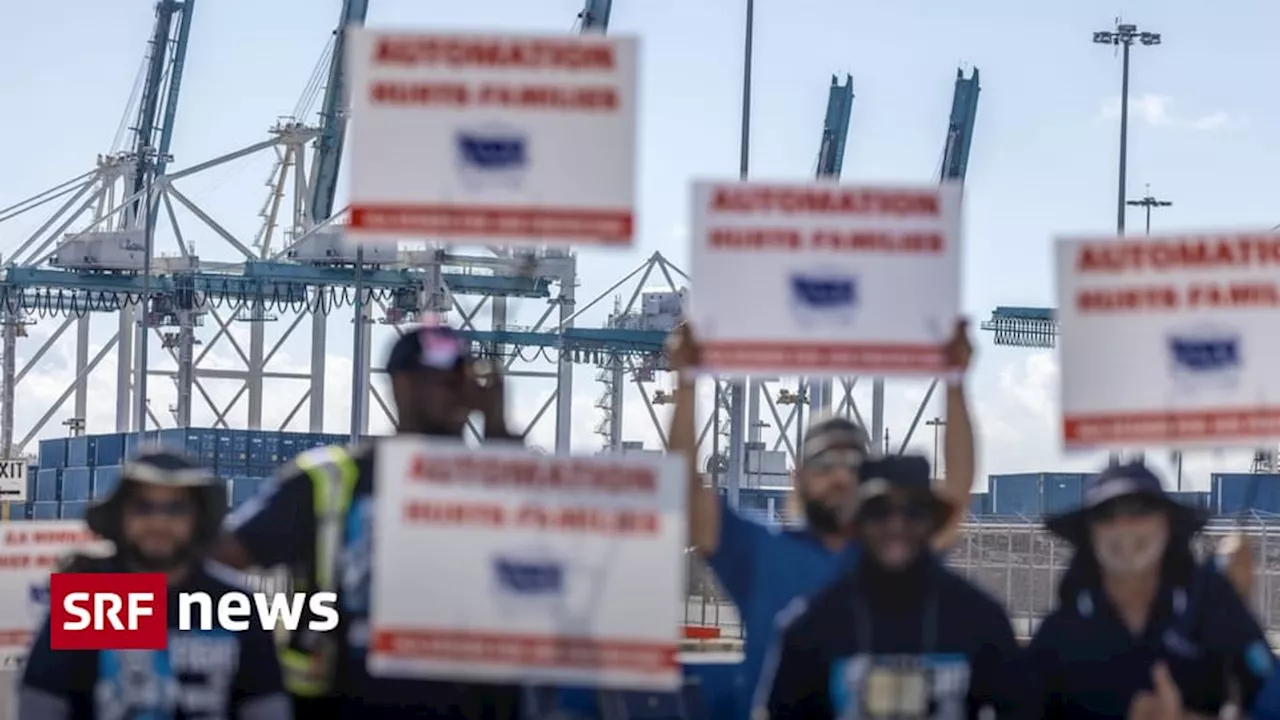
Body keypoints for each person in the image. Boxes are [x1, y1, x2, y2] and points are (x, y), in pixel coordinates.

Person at [666, 321, 977, 719]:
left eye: (853, 463)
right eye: (825, 462)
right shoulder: (762, 553)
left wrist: (954, 383)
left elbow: (955, 493)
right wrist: (686, 384)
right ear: (798, 476)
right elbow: (686, 491)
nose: (841, 476)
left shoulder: (894, 552)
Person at [211, 324, 522, 719]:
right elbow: (210, 562)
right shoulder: (331, 480)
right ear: (403, 385)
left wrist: (498, 429)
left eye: (465, 381)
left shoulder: (496, 482)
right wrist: (111, 619)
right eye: (445, 381)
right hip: (343, 704)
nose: (458, 392)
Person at [18, 450, 289, 719]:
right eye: (143, 507)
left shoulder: (234, 604)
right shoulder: (89, 602)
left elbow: (266, 708)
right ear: (121, 516)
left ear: (198, 518)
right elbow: (40, 706)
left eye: (176, 508)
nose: (159, 522)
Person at [756, 454, 1028, 719]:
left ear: (932, 522)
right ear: (858, 522)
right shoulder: (812, 626)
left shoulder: (979, 619)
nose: (897, 525)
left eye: (913, 512)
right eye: (879, 512)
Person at [1027, 461, 1274, 719]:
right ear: (1089, 534)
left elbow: (1272, 700)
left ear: (1167, 525)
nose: (1124, 528)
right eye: (1106, 515)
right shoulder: (1058, 635)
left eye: (1139, 511)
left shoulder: (1215, 610)